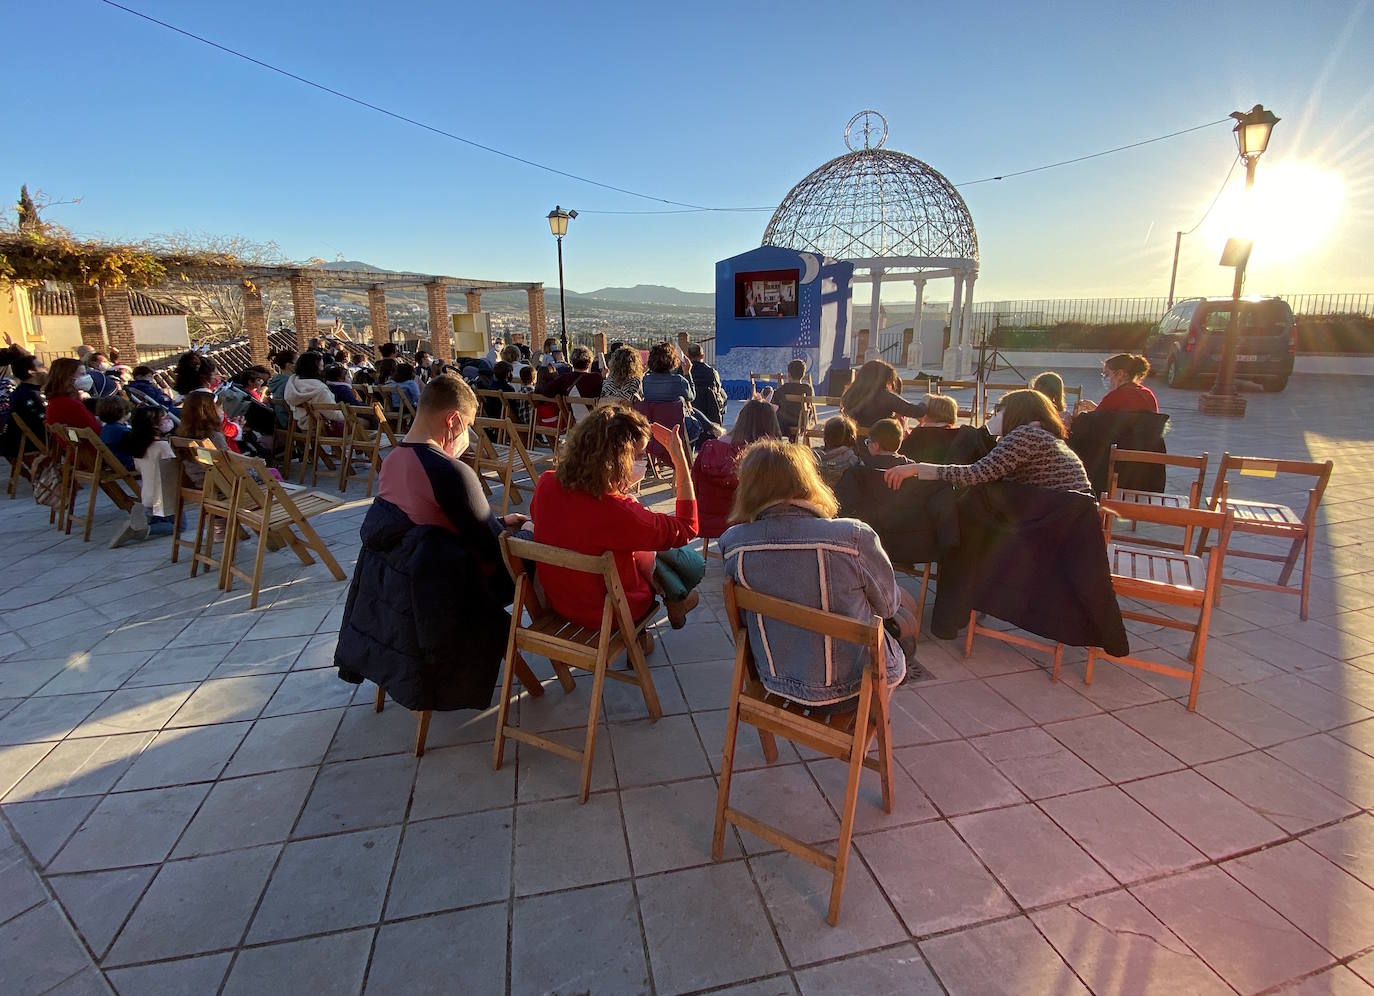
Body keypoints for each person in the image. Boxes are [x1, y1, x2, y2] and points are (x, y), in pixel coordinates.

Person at [335, 374, 532, 711]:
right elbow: (493, 549)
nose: (467, 435)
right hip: (459, 593)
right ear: (453, 420)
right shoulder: (449, 471)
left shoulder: (393, 461)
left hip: (405, 590)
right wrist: (527, 533)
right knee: (536, 549)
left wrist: (499, 523)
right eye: (467, 426)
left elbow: (431, 522)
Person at [718, 440, 915, 710]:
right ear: (807, 480)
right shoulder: (854, 537)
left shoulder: (734, 545)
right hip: (854, 689)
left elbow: (744, 620)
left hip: (775, 682)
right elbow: (888, 606)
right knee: (905, 620)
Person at [532, 405, 705, 630]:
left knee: (637, 549)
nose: (643, 461)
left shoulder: (546, 483)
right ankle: (674, 601)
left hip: (562, 602)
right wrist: (680, 462)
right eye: (640, 455)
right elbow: (687, 527)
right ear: (619, 459)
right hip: (612, 612)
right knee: (669, 556)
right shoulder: (620, 512)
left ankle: (672, 603)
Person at [885, 388, 1092, 494]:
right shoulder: (1044, 435)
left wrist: (916, 469)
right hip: (1068, 516)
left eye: (999, 411)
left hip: (1056, 520)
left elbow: (976, 474)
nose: (994, 417)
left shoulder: (1027, 436)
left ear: (1015, 413)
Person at [692, 399, 782, 541]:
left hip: (705, 521)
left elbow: (695, 484)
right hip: (746, 525)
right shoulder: (761, 455)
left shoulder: (709, 447)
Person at [110, 405, 178, 547]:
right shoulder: (162, 447)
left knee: (158, 514)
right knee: (179, 525)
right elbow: (173, 472)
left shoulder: (138, 447)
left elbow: (139, 468)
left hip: (147, 494)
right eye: (163, 417)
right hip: (164, 498)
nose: (167, 420)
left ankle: (144, 519)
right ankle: (144, 528)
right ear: (153, 424)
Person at [898, 395, 991, 465]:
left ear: (928, 412)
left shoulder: (918, 434)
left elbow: (901, 456)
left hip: (921, 484)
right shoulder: (963, 434)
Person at [641, 341, 705, 442]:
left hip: (653, 430)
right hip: (677, 429)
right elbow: (692, 396)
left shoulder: (645, 381)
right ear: (673, 360)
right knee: (696, 421)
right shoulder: (679, 380)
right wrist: (687, 373)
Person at [841, 359, 927, 427]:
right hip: (879, 443)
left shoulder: (849, 393)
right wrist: (926, 401)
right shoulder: (885, 397)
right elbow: (916, 411)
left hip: (854, 441)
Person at [1075, 353, 1158, 414]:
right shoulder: (1148, 394)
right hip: (1145, 437)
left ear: (1119, 374)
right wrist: (1096, 409)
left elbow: (1097, 424)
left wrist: (1081, 414)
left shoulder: (1115, 396)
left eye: (1107, 374)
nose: (1105, 378)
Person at [1, 349, 46, 460]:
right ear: (32, 372)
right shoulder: (31, 395)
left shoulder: (22, 391)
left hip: (17, 443)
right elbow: (45, 422)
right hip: (31, 444)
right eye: (42, 366)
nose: (46, 370)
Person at [44, 357, 102, 435]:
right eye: (82, 374)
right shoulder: (68, 403)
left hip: (74, 445)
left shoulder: (57, 400)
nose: (86, 377)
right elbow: (95, 430)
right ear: (67, 377)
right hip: (87, 445)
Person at [285, 351, 340, 428]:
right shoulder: (319, 388)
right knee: (361, 422)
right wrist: (350, 414)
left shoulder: (293, 384)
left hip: (303, 425)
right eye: (321, 369)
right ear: (316, 369)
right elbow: (333, 414)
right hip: (323, 428)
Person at [813, 414, 861, 487]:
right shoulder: (853, 461)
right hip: (843, 496)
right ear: (851, 439)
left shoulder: (809, 457)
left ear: (825, 437)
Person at [685, 342, 727, 427]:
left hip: (688, 412)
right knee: (724, 396)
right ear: (702, 356)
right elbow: (717, 390)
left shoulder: (682, 371)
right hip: (709, 412)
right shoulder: (711, 372)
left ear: (688, 356)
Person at [774, 358, 815, 439]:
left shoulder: (784, 388)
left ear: (789, 374)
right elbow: (810, 404)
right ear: (803, 374)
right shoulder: (807, 388)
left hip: (784, 422)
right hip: (801, 422)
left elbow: (776, 400)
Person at [97, 395, 136, 470]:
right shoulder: (123, 431)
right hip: (126, 464)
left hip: (112, 463)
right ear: (124, 412)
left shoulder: (105, 428)